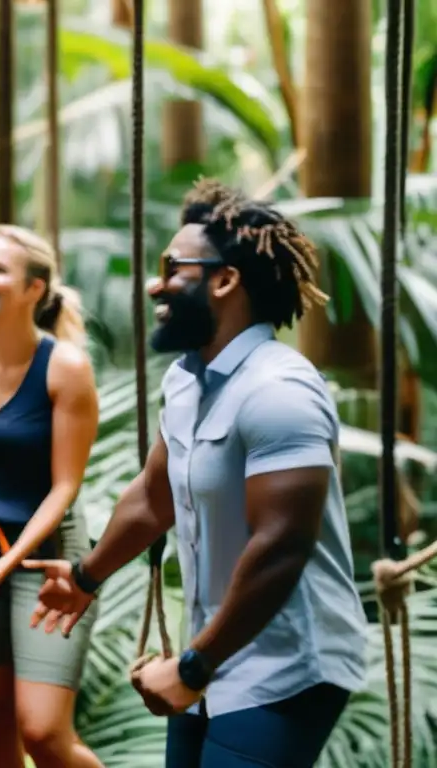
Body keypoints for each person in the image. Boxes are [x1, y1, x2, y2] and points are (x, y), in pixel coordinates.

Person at [25, 179, 368, 768]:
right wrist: (86, 576)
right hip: (214, 655)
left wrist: (193, 667)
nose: (156, 283)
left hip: (287, 665)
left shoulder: (279, 390)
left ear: (225, 280)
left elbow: (283, 546)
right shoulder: (186, 380)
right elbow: (154, 495)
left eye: (171, 267)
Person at [0, 225, 103, 768]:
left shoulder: (67, 368)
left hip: (47, 556)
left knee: (43, 730)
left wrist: (12, 561)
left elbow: (65, 487)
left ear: (35, 289)